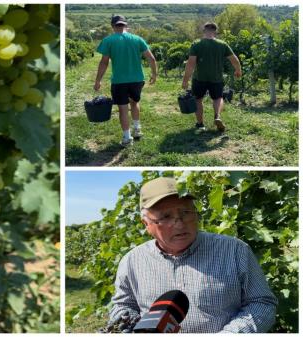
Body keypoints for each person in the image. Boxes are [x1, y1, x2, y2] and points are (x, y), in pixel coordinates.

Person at [108, 177, 277, 333]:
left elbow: (262, 302)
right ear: (146, 224)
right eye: (166, 217)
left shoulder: (234, 251)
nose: (179, 224)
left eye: (185, 213)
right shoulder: (132, 261)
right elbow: (123, 305)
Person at [93, 15, 157, 147]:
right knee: (134, 102)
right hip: (137, 79)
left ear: (112, 26)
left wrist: (98, 80)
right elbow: (151, 58)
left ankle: (127, 138)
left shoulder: (108, 40)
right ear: (125, 25)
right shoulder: (137, 39)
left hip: (119, 81)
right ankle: (137, 129)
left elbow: (104, 62)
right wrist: (154, 74)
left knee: (123, 109)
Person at [182, 22, 242, 133]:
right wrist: (238, 70)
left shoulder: (196, 44)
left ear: (204, 31)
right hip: (217, 78)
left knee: (198, 99)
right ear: (215, 31)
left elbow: (191, 64)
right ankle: (217, 116)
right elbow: (234, 59)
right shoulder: (222, 44)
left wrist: (185, 80)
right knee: (218, 98)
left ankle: (200, 124)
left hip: (200, 78)